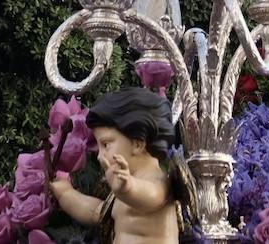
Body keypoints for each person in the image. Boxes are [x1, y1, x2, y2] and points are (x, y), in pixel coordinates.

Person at [50, 88, 191, 243]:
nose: (99, 155)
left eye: (106, 144)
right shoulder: (123, 188)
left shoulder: (158, 182)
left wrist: (128, 187)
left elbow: (151, 196)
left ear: (138, 144)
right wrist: (65, 194)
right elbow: (96, 212)